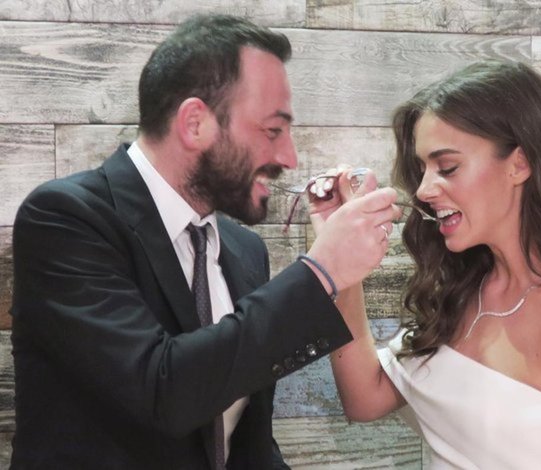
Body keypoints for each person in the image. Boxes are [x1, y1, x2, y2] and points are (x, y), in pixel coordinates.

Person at [9, 14, 399, 469]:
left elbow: (245, 444)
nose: (289, 158)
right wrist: (321, 272)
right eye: (271, 131)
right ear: (195, 123)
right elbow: (162, 392)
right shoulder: (64, 218)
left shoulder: (244, 250)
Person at [322, 60, 541, 469]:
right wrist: (339, 263)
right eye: (422, 170)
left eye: (447, 167)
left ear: (519, 164)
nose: (423, 189)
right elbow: (364, 398)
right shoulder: (460, 293)